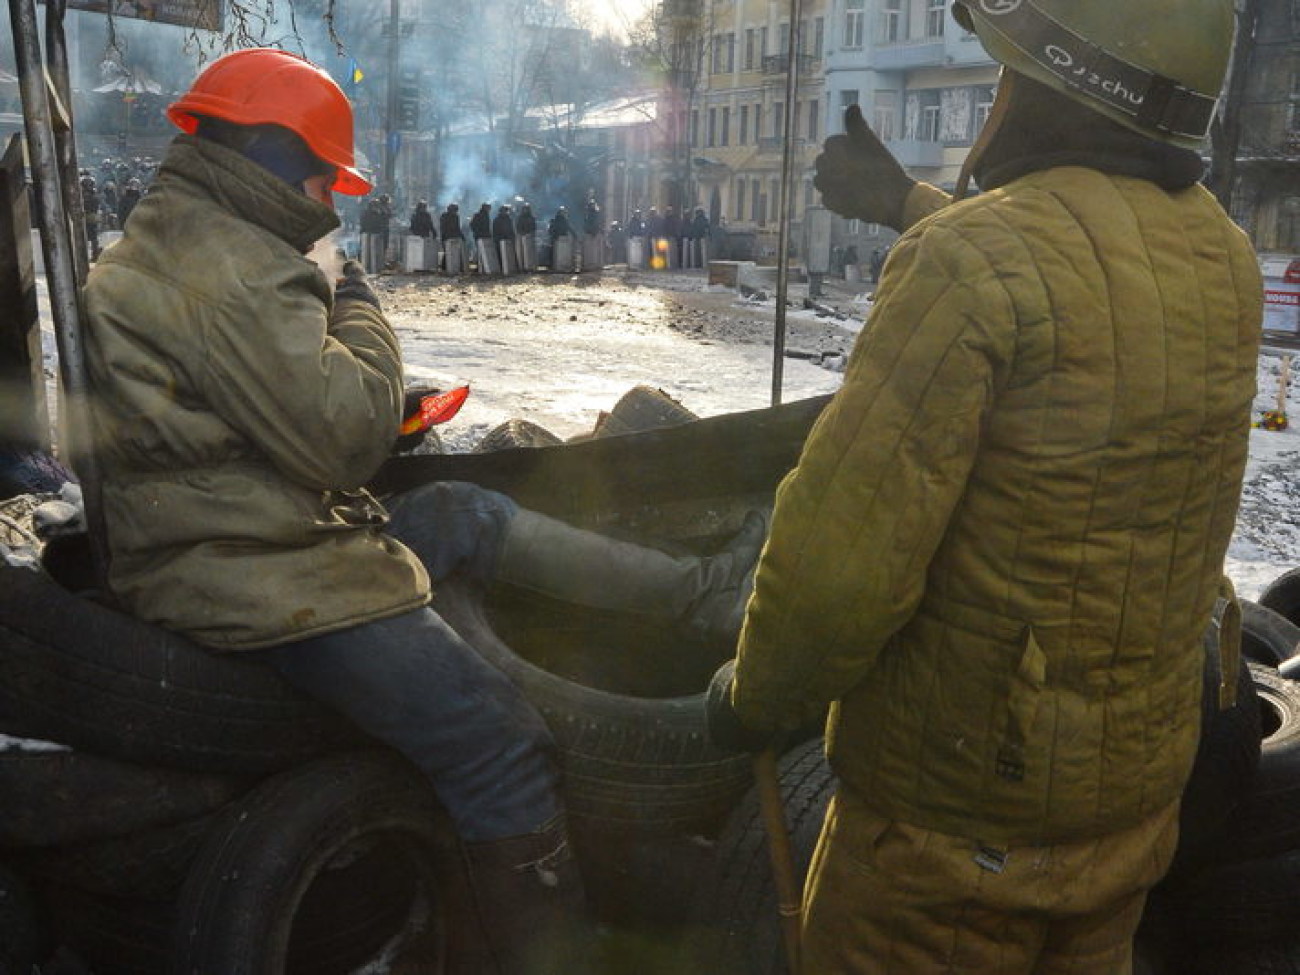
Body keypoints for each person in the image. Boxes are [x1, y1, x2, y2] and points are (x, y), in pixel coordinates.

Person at [81, 48, 763, 975]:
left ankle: (705, 593)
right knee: (503, 745)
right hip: (250, 574)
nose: (328, 195)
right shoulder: (238, 263)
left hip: (227, 533)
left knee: (462, 513)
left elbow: (251, 416)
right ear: (273, 153)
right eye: (322, 173)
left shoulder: (170, 230)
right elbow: (343, 439)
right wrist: (354, 298)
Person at [706, 1, 1261, 972]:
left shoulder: (966, 266)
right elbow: (1081, 286)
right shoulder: (1224, 261)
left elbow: (839, 570)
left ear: (1058, 81)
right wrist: (905, 203)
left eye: (1006, 72)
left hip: (947, 847)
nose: (995, 95)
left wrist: (754, 695)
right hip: (1123, 819)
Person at [79, 169, 101, 262]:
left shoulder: (88, 193)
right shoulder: (90, 192)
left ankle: (93, 254)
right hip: (89, 215)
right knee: (91, 237)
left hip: (88, 215)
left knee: (89, 237)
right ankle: (93, 254)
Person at [470, 202, 497, 275]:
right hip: (480, 237)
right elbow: (472, 225)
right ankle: (479, 268)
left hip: (485, 236)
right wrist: (478, 233)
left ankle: (482, 267)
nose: (489, 210)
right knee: (480, 253)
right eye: (488, 208)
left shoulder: (486, 215)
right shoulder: (478, 215)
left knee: (484, 253)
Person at [440, 202, 465, 274]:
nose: (455, 212)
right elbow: (443, 227)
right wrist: (446, 236)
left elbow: (457, 227)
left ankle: (455, 267)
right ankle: (444, 267)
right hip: (446, 237)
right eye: (454, 210)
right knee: (447, 253)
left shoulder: (456, 216)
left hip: (454, 237)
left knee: (455, 253)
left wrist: (461, 236)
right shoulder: (444, 216)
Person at [493, 203, 517, 275]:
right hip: (499, 239)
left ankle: (510, 268)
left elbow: (511, 229)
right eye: (504, 211)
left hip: (508, 239)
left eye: (506, 211)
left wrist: (512, 237)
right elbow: (495, 231)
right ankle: (501, 268)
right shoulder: (497, 220)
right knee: (500, 254)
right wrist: (498, 238)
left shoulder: (509, 219)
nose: (506, 212)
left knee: (509, 254)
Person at [515, 202, 538, 272]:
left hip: (529, 237)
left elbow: (534, 227)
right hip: (521, 237)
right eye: (525, 209)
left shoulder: (532, 218)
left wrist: (530, 233)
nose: (526, 210)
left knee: (529, 253)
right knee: (521, 253)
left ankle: (530, 267)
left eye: (527, 209)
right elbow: (518, 227)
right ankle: (522, 267)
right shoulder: (520, 218)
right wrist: (522, 234)